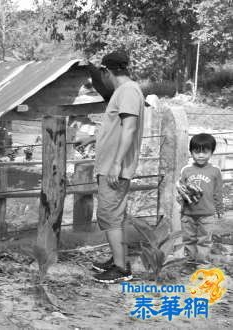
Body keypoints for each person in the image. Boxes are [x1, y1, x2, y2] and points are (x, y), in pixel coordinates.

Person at [76, 51, 145, 283]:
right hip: (109, 165)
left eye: (101, 74)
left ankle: (121, 269)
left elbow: (129, 129)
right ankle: (118, 259)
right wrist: (93, 139)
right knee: (114, 216)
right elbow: (117, 128)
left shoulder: (127, 92)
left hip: (113, 168)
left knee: (110, 216)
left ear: (107, 71)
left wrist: (116, 164)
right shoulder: (125, 92)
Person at [177, 133, 223, 264]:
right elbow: (181, 190)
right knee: (188, 239)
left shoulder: (215, 171)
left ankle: (202, 263)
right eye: (197, 152)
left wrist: (219, 209)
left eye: (205, 152)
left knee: (205, 240)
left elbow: (218, 191)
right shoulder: (186, 170)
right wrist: (180, 204)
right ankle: (190, 262)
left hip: (207, 214)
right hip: (188, 213)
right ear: (191, 152)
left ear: (212, 152)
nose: (201, 155)